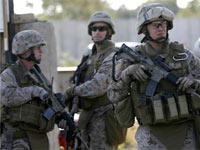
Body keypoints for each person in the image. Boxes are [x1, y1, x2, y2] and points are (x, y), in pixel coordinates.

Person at [107, 3, 200, 150]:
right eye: (156, 25)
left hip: (185, 133)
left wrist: (194, 81)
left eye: (164, 24)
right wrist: (127, 73)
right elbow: (113, 95)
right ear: (144, 29)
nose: (161, 28)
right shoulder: (131, 59)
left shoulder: (183, 55)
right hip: (151, 136)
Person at [63, 11, 126, 150]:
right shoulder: (90, 56)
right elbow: (77, 80)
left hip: (104, 120)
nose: (97, 32)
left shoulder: (113, 55)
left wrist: (73, 91)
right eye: (94, 29)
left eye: (102, 29)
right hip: (87, 118)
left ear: (109, 31)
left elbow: (99, 86)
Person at [0, 30, 67, 150]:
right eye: (37, 48)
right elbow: (7, 97)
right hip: (19, 140)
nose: (41, 51)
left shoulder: (38, 75)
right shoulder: (10, 74)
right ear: (26, 50)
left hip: (38, 140)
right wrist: (33, 91)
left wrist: (59, 118)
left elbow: (47, 103)